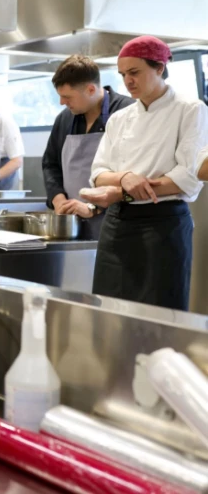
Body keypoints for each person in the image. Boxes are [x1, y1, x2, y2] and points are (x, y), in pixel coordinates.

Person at [82, 35, 208, 311]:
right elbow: (99, 173)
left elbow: (187, 175)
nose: (128, 81)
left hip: (163, 225)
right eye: (123, 74)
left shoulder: (190, 109)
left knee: (160, 312)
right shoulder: (120, 118)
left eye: (135, 72)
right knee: (109, 309)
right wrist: (125, 178)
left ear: (160, 67)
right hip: (117, 225)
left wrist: (121, 191)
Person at [42, 55, 135, 240]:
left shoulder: (128, 112)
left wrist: (94, 208)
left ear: (91, 89)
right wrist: (58, 199)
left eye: (67, 97)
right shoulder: (64, 119)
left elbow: (135, 174)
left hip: (119, 224)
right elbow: (50, 164)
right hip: (73, 224)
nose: (62, 102)